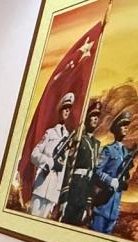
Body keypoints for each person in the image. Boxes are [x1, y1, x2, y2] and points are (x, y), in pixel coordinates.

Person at [91, 109, 137, 235]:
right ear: (116, 129)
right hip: (102, 205)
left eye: (127, 126)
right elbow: (97, 171)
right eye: (123, 125)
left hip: (114, 207)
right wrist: (110, 181)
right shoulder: (108, 150)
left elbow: (125, 177)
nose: (126, 128)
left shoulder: (126, 153)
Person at [29, 91, 75, 219]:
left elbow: (64, 168)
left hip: (53, 191)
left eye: (69, 109)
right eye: (65, 108)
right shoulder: (50, 133)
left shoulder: (68, 138)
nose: (67, 111)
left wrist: (58, 193)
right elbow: (34, 155)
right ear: (59, 111)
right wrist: (50, 162)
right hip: (41, 186)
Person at [57, 100, 103, 226]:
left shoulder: (97, 144)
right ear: (87, 118)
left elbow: (94, 172)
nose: (96, 119)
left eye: (98, 117)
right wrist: (64, 197)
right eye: (93, 116)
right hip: (74, 187)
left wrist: (89, 201)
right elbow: (69, 166)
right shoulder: (78, 139)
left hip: (86, 189)